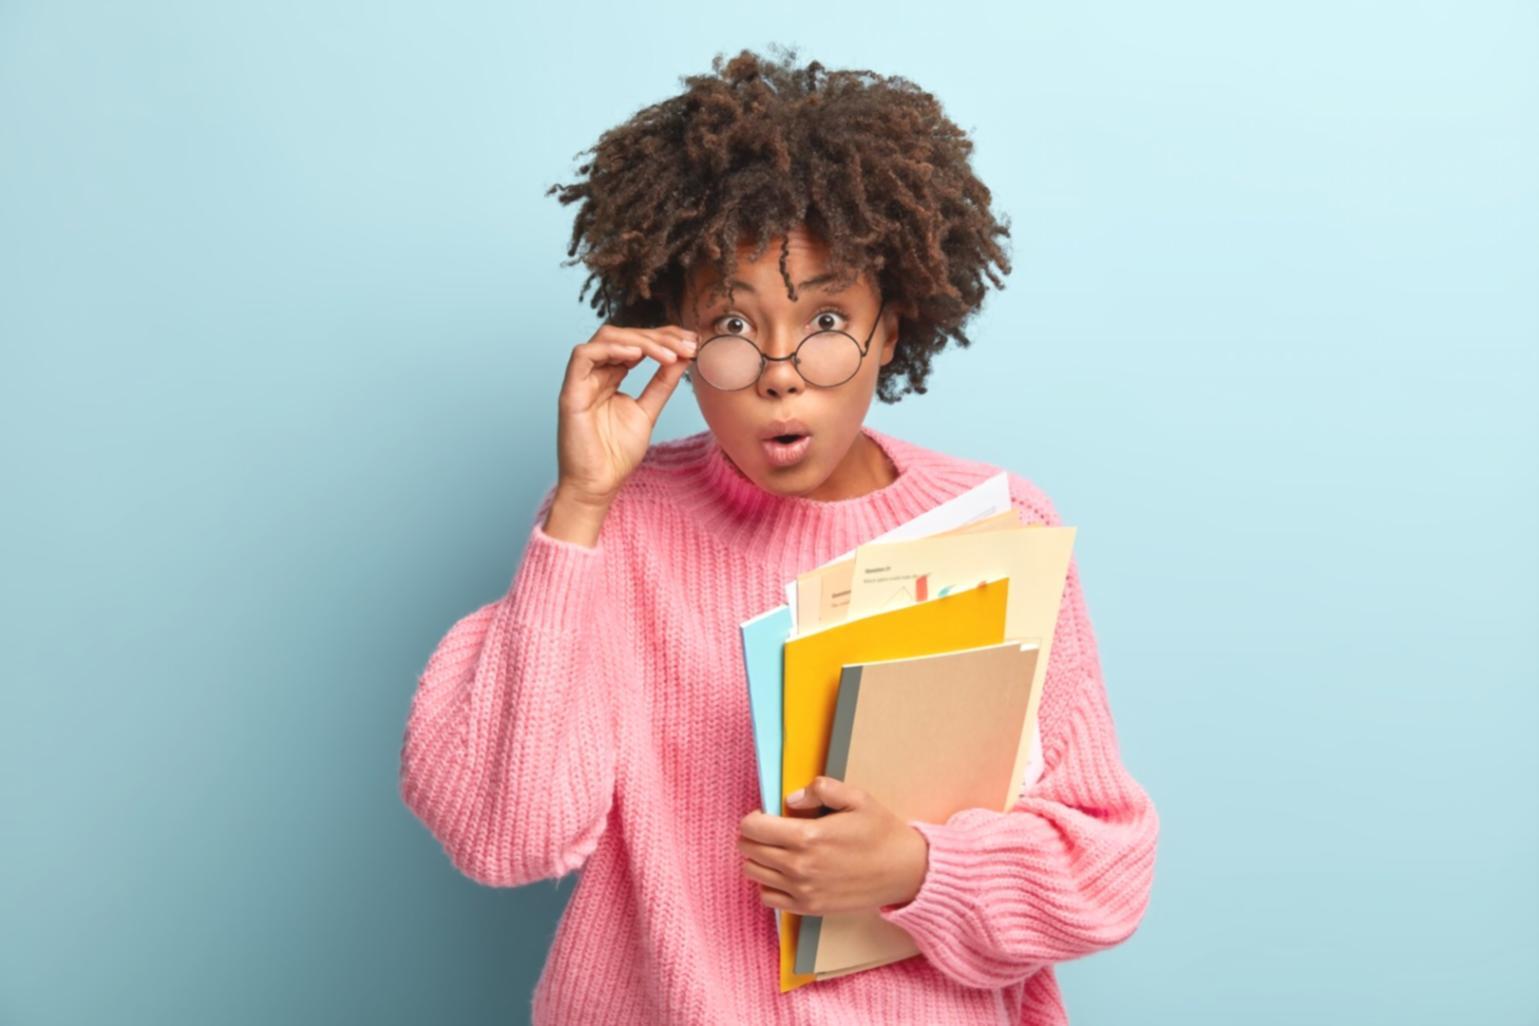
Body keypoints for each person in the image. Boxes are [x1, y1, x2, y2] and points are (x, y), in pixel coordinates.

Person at [398, 46, 1159, 1026]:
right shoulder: (620, 526)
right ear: (675, 338)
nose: (779, 371)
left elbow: (1103, 871)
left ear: (892, 329)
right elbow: (505, 835)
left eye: (828, 317)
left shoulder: (1001, 527)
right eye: (731, 325)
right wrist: (579, 506)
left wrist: (915, 867)